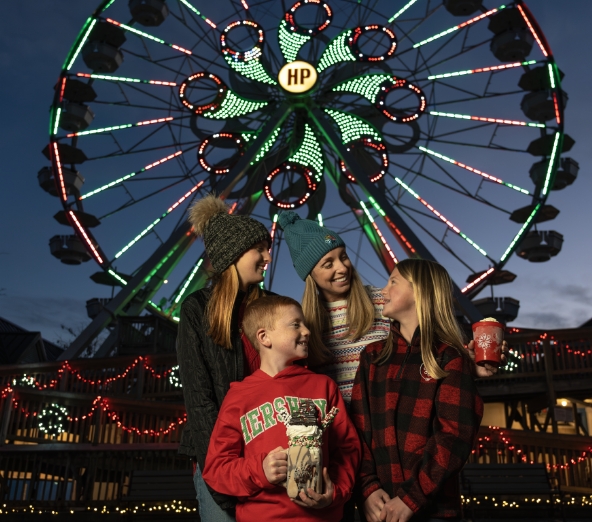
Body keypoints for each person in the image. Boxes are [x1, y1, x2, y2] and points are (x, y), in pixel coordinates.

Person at [202, 295, 361, 522]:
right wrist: (261, 471)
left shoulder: (324, 387)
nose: (306, 331)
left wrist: (335, 492)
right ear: (264, 337)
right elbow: (216, 468)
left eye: (305, 324)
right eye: (296, 324)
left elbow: (348, 450)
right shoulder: (239, 396)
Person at [351, 259, 483, 522]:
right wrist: (367, 488)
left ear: (419, 292)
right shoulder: (372, 357)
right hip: (378, 508)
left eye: (393, 282)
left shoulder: (450, 358)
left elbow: (454, 436)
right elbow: (357, 431)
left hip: (434, 510)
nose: (382, 290)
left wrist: (412, 499)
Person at [176, 194, 273, 521]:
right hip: (220, 462)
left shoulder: (275, 307)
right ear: (233, 254)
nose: (268, 257)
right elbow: (199, 399)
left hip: (271, 457)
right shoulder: (196, 310)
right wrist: (220, 475)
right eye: (259, 249)